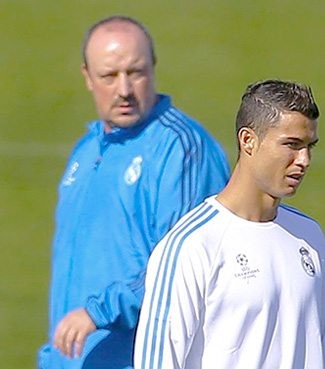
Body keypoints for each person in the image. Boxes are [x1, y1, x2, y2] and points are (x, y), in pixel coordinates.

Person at [38, 16, 230, 369]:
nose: (124, 90)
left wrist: (99, 312)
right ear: (87, 76)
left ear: (154, 67)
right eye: (109, 76)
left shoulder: (181, 149)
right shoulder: (87, 150)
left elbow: (182, 268)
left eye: (136, 72)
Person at [134, 80, 325, 369]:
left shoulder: (310, 237)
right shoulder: (192, 246)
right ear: (248, 140)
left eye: (309, 147)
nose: (304, 160)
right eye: (292, 145)